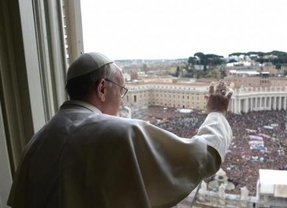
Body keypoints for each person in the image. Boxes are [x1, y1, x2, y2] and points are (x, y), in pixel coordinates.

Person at [7, 52, 233, 208]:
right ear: (102, 88)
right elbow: (202, 157)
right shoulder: (122, 133)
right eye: (121, 90)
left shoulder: (35, 143)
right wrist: (216, 113)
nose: (122, 102)